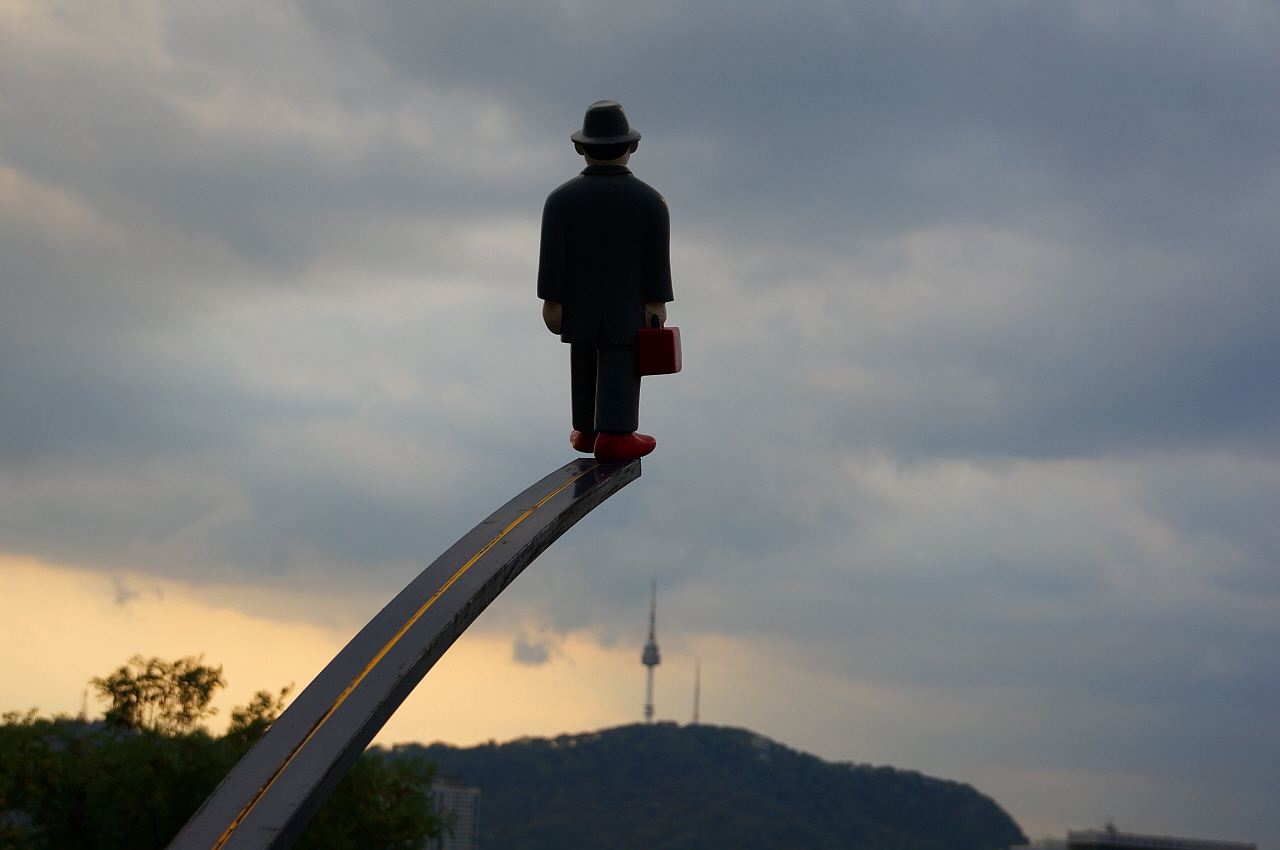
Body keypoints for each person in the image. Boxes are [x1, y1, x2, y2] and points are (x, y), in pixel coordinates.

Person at [538, 100, 673, 463]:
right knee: (620, 362)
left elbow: (552, 260)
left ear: (581, 148)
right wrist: (657, 301)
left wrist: (551, 300)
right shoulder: (650, 201)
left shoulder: (560, 200)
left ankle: (586, 429)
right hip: (625, 306)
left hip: (577, 305)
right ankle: (616, 432)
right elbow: (657, 261)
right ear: (633, 146)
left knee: (582, 358)